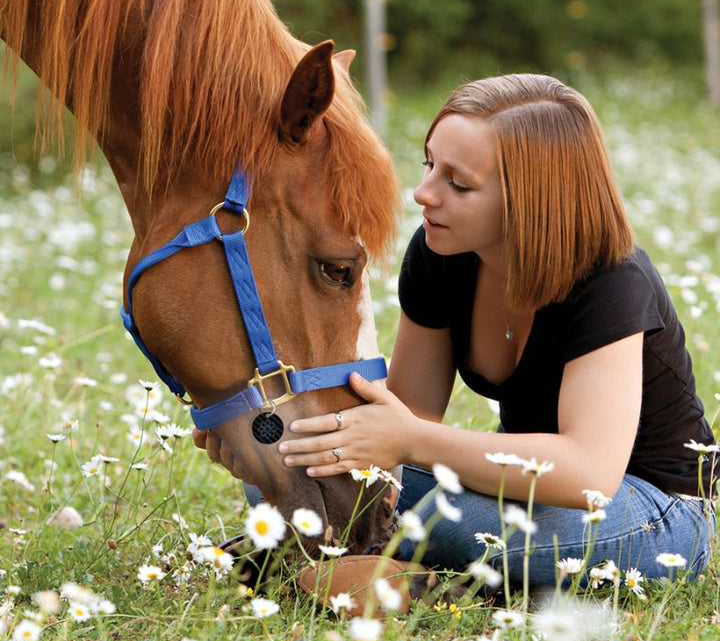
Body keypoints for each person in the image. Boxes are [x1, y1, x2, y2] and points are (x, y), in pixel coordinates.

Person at [272, 73, 717, 589]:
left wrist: (413, 442)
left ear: (532, 200)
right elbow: (407, 415)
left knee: (458, 520)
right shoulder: (442, 254)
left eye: (458, 184)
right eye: (429, 165)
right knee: (293, 466)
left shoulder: (612, 281)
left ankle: (390, 563)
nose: (422, 194)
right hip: (519, 486)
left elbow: (589, 475)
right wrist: (269, 423)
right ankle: (400, 565)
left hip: (648, 506)